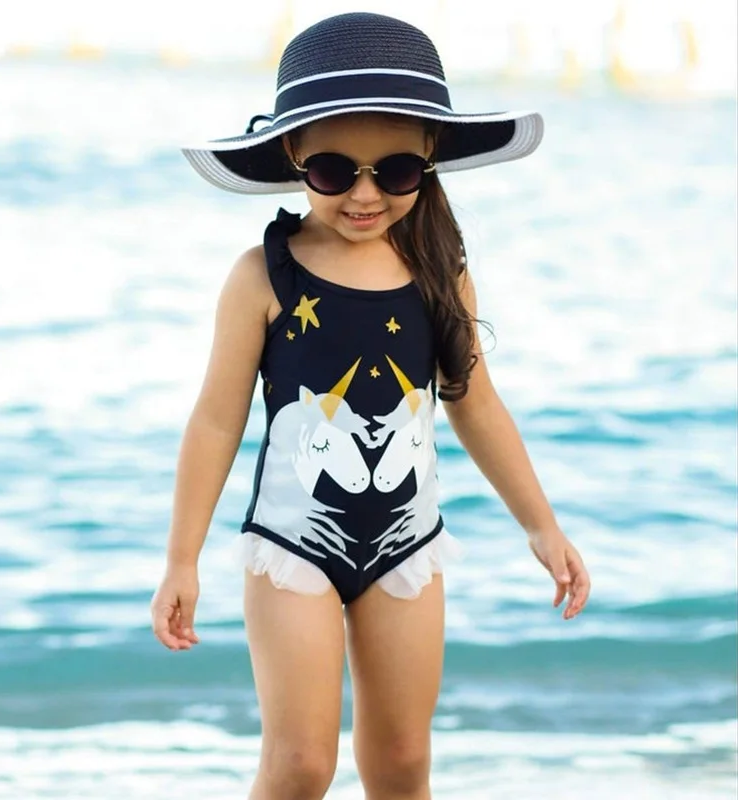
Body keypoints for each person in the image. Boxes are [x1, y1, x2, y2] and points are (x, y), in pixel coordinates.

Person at [151, 11, 591, 800]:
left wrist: (541, 524)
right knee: (300, 765)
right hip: (295, 544)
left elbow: (475, 403)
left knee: (402, 762)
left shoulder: (441, 271)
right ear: (294, 154)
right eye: (332, 171)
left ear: (429, 157)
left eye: (395, 171)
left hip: (406, 544)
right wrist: (181, 559)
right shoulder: (264, 275)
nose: (364, 194)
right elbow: (216, 420)